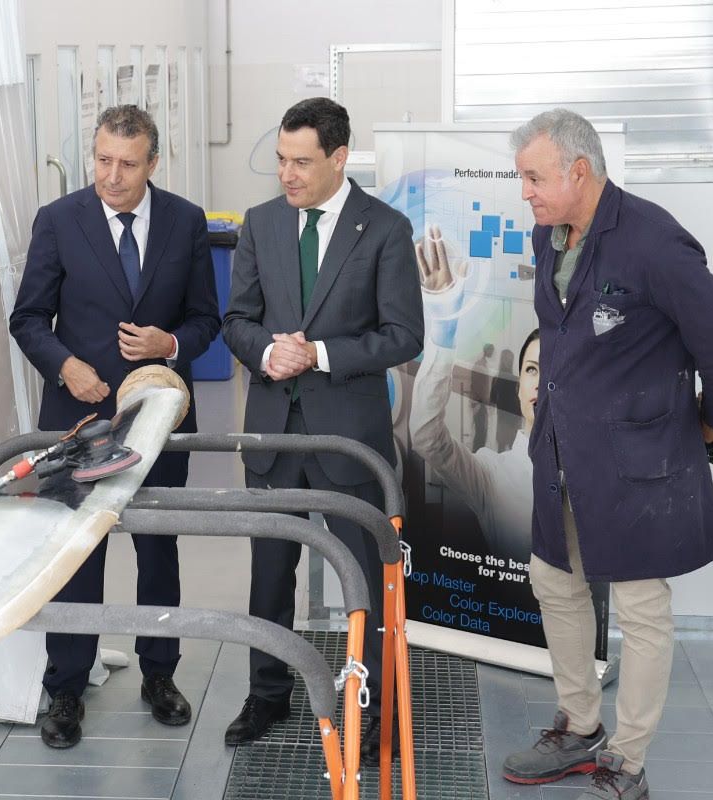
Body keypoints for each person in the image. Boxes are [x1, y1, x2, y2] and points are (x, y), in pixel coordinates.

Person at [501, 108, 713, 800]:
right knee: (555, 581)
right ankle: (580, 726)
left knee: (641, 606)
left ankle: (629, 758)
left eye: (534, 177)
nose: (524, 191)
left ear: (578, 171)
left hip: (639, 458)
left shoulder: (652, 241)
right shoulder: (550, 233)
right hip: (562, 452)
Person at [9, 104, 220, 749]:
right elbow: (26, 319)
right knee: (76, 554)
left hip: (160, 417)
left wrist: (171, 342)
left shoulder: (186, 222)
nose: (112, 176)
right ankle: (66, 687)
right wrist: (67, 366)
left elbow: (207, 319)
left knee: (159, 550)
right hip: (78, 420)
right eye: (102, 160)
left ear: (154, 163)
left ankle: (161, 674)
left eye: (128, 164)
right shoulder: (58, 220)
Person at [220, 97, 423, 759]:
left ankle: (375, 710)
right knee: (268, 577)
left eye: (301, 161)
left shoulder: (385, 229)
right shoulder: (261, 224)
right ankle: (266, 693)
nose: (287, 173)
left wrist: (322, 354)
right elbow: (238, 319)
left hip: (348, 440)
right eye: (281, 159)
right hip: (275, 434)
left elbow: (402, 334)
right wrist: (265, 352)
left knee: (362, 579)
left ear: (339, 158)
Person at [409, 224, 538, 561]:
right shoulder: (492, 477)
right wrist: (444, 321)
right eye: (532, 370)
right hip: (508, 608)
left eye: (553, 371)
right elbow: (426, 437)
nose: (541, 382)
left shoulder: (593, 475)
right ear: (521, 389)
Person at [470, 342, 495, 452]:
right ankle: (477, 455)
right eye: (491, 351)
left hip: (481, 403)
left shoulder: (483, 364)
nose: (493, 353)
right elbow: (478, 385)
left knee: (482, 432)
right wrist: (481, 402)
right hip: (479, 403)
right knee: (480, 432)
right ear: (487, 351)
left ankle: (478, 454)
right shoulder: (480, 365)